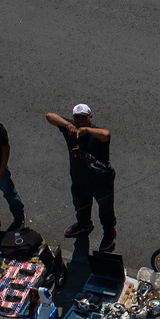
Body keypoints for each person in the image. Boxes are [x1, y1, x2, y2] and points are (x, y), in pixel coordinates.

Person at [45, 104, 116, 252]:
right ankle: (84, 224)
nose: (80, 121)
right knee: (80, 205)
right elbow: (49, 116)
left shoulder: (96, 133)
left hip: (101, 182)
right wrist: (67, 125)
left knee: (106, 210)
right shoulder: (71, 129)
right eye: (77, 118)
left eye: (83, 117)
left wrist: (87, 130)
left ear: (90, 118)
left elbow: (107, 134)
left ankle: (109, 232)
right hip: (79, 179)